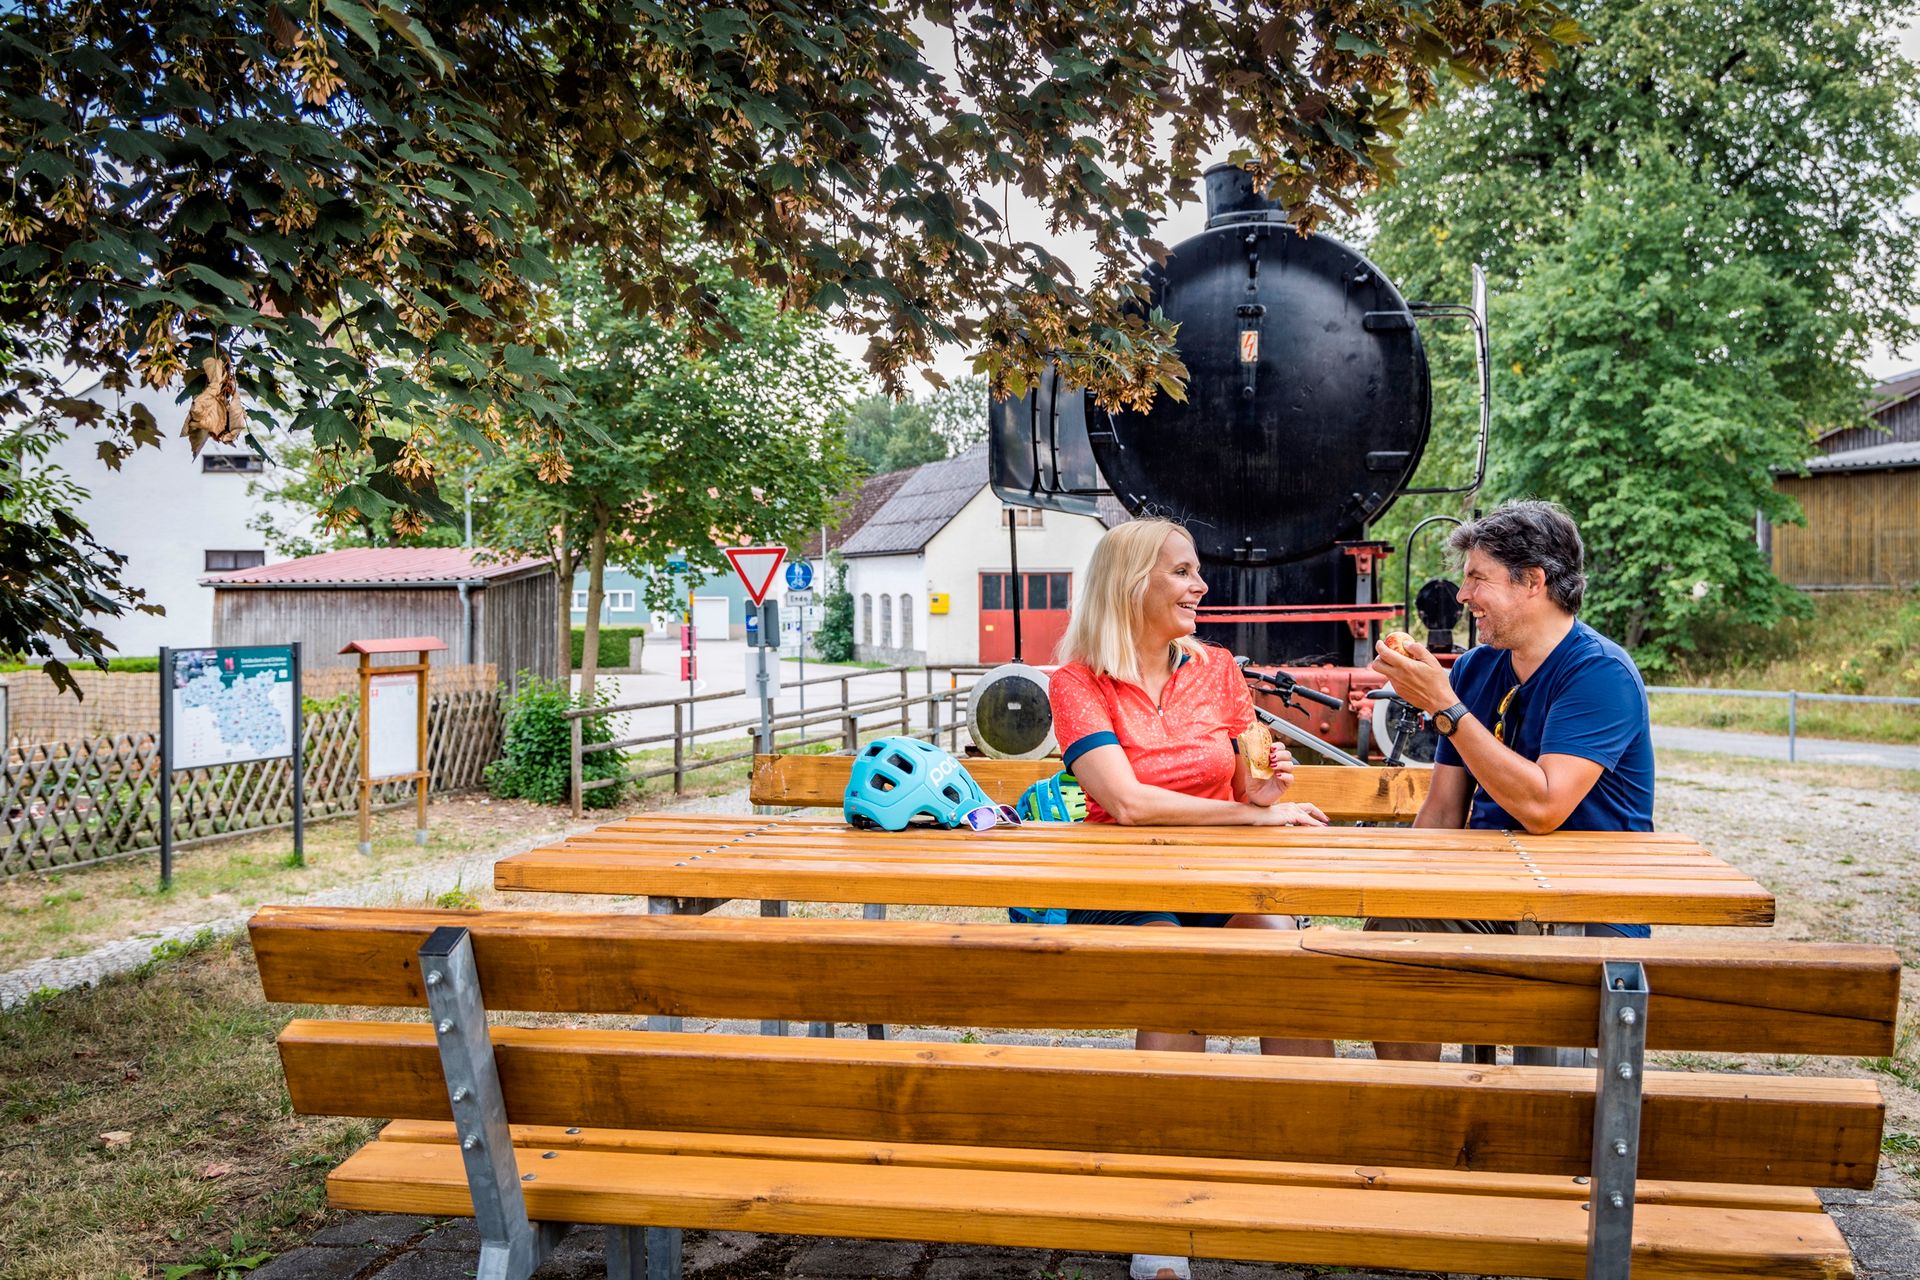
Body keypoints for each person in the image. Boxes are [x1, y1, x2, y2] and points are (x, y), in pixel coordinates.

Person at [1046, 517, 1333, 1280]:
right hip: (1123, 880)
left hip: (1218, 873)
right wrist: (1255, 815)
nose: (1200, 585)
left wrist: (1264, 787)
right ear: (1131, 582)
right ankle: (1162, 1211)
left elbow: (1245, 776)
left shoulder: (1218, 668)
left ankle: (1312, 1178)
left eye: (1195, 570)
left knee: (1285, 954)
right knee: (1177, 973)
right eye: (1180, 571)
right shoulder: (1076, 681)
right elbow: (1126, 801)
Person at [1367, 499, 1655, 1061]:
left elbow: (1544, 808)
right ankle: (1410, 1112)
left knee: (1550, 1078)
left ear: (1533, 583)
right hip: (1495, 897)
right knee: (1389, 936)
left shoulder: (1600, 674)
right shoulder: (1478, 668)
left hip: (1585, 908)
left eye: (1477, 579)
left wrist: (1446, 708)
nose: (1461, 596)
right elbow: (1444, 810)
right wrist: (1396, 882)